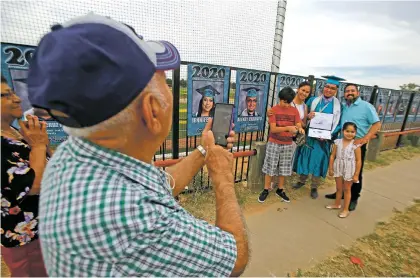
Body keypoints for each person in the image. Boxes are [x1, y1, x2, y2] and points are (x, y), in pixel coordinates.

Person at [28, 14, 249, 277]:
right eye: (165, 83)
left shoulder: (75, 155)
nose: (169, 89)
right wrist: (223, 177)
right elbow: (234, 259)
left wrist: (204, 151)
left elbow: (160, 184)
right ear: (152, 111)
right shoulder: (136, 218)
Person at [1, 75, 49, 277]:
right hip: (25, 239)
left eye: (12, 92)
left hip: (43, 231)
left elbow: (47, 166)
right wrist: (38, 145)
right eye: (5, 95)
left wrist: (42, 146)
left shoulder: (13, 132)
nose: (17, 99)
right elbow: (34, 186)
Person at [325, 83, 381, 211]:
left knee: (355, 173)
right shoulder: (344, 106)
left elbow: (377, 124)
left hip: (356, 145)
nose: (349, 93)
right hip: (342, 144)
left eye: (352, 91)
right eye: (347, 91)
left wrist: (365, 138)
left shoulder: (366, 107)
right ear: (344, 94)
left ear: (358, 93)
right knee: (341, 169)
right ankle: (340, 193)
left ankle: (354, 197)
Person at [293, 76, 343, 199]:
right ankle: (302, 180)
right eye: (327, 87)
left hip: (324, 141)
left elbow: (339, 123)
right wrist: (308, 117)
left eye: (332, 88)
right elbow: (304, 117)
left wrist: (328, 135)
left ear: (336, 90)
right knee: (306, 158)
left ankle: (314, 186)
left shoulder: (338, 106)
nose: (328, 90)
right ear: (323, 87)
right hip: (310, 137)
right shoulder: (313, 101)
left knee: (318, 161)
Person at [258, 86, 304, 203]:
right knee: (270, 166)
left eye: (289, 102)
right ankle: (266, 189)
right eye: (285, 102)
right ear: (280, 98)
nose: (287, 105)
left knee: (284, 168)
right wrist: (288, 128)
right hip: (274, 142)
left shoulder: (294, 111)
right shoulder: (274, 110)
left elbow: (298, 123)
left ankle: (280, 189)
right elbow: (273, 129)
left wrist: (300, 129)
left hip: (288, 143)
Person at [326, 122, 362, 218]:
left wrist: (356, 175)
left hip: (349, 169)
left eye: (352, 132)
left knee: (347, 189)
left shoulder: (356, 145)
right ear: (343, 131)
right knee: (338, 188)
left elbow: (358, 161)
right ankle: (337, 204)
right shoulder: (337, 142)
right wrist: (330, 168)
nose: (349, 133)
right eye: (347, 131)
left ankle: (346, 209)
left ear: (355, 133)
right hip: (338, 167)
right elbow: (332, 156)